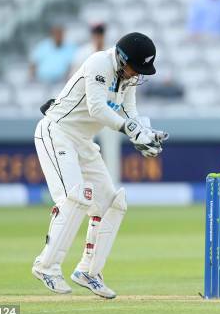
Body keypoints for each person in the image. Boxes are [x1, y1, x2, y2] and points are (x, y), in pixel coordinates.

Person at [31, 32, 168, 299]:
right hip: (56, 133)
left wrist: (146, 135)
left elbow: (129, 114)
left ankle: (89, 270)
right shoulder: (98, 63)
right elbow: (97, 109)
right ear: (122, 58)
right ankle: (46, 266)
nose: (136, 75)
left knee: (113, 202)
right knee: (75, 197)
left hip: (82, 141)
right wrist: (130, 130)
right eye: (135, 68)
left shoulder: (127, 77)